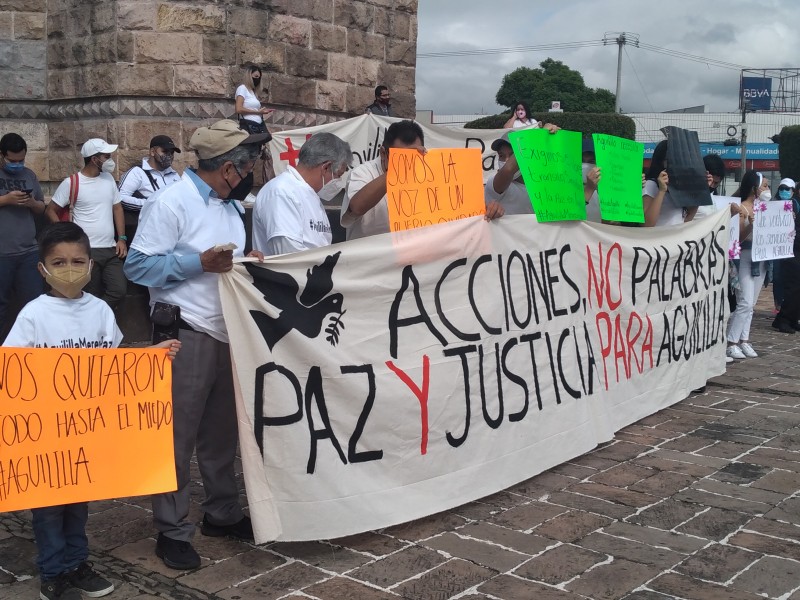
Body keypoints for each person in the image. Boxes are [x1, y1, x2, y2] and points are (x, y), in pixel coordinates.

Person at [3, 221, 180, 600]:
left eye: (77, 261)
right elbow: (13, 371)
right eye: (59, 262)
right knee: (48, 509)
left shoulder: (99, 310)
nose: (69, 268)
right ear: (43, 269)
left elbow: (114, 367)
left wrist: (150, 358)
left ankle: (78, 563)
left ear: (89, 265)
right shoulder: (34, 315)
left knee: (79, 503)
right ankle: (54, 573)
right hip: (46, 436)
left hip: (85, 434)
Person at [124, 119, 269, 570]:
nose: (252, 171)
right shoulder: (171, 202)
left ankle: (222, 512)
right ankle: (172, 529)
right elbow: (137, 267)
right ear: (229, 168)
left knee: (221, 433)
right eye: (248, 164)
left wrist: (247, 263)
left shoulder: (230, 207)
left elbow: (224, 263)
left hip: (228, 332)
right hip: (184, 335)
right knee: (176, 439)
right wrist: (197, 263)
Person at [342, 120, 503, 240]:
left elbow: (456, 211)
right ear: (383, 153)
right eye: (402, 158)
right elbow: (356, 207)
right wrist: (398, 171)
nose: (409, 163)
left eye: (413, 157)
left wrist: (485, 212)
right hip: (370, 272)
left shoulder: (430, 175)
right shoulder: (362, 174)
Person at [45, 138, 127, 310]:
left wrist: (122, 238)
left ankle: (97, 315)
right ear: (94, 159)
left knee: (119, 290)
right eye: (106, 156)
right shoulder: (72, 182)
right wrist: (66, 233)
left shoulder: (109, 180)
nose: (110, 160)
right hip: (86, 250)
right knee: (90, 293)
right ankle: (91, 325)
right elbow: (50, 210)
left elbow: (117, 209)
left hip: (111, 249)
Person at [252, 132, 351, 255]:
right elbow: (289, 255)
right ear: (326, 167)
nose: (338, 182)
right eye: (338, 176)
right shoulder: (281, 192)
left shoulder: (310, 194)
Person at [0, 132, 45, 337]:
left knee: (34, 303)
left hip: (28, 251)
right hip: (2, 254)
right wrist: (5, 200)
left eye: (21, 160)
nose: (17, 164)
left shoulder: (29, 175)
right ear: (1, 155)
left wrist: (32, 203)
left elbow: (41, 207)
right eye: (12, 160)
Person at [727, 170, 770, 359]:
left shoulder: (766, 209)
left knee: (751, 303)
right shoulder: (741, 208)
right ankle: (731, 341)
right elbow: (737, 238)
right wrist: (750, 225)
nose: (768, 190)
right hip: (744, 257)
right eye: (765, 186)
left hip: (760, 259)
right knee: (744, 302)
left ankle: (744, 340)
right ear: (754, 188)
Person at [483, 125, 559, 215]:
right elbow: (508, 169)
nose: (506, 160)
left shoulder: (542, 184)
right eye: (501, 156)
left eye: (512, 155)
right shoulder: (494, 184)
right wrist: (537, 137)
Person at [642, 140, 698, 227]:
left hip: (676, 239)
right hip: (657, 239)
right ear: (661, 161)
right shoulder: (651, 185)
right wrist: (661, 191)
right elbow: (647, 224)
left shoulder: (678, 187)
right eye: (671, 160)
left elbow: (686, 221)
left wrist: (701, 190)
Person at [118, 135, 182, 213]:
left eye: (172, 153)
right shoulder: (138, 173)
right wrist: (150, 204)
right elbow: (120, 197)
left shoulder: (174, 174)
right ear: (152, 152)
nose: (169, 156)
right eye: (165, 151)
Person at [772, 178, 800, 334]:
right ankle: (783, 318)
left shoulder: (795, 204)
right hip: (789, 250)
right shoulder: (789, 205)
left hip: (793, 249)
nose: (784, 191)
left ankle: (792, 318)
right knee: (792, 286)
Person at [235, 65, 273, 135]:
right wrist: (257, 112)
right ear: (249, 76)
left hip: (257, 126)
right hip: (248, 126)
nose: (257, 79)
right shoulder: (242, 88)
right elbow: (238, 109)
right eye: (255, 76)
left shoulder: (253, 93)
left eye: (259, 77)